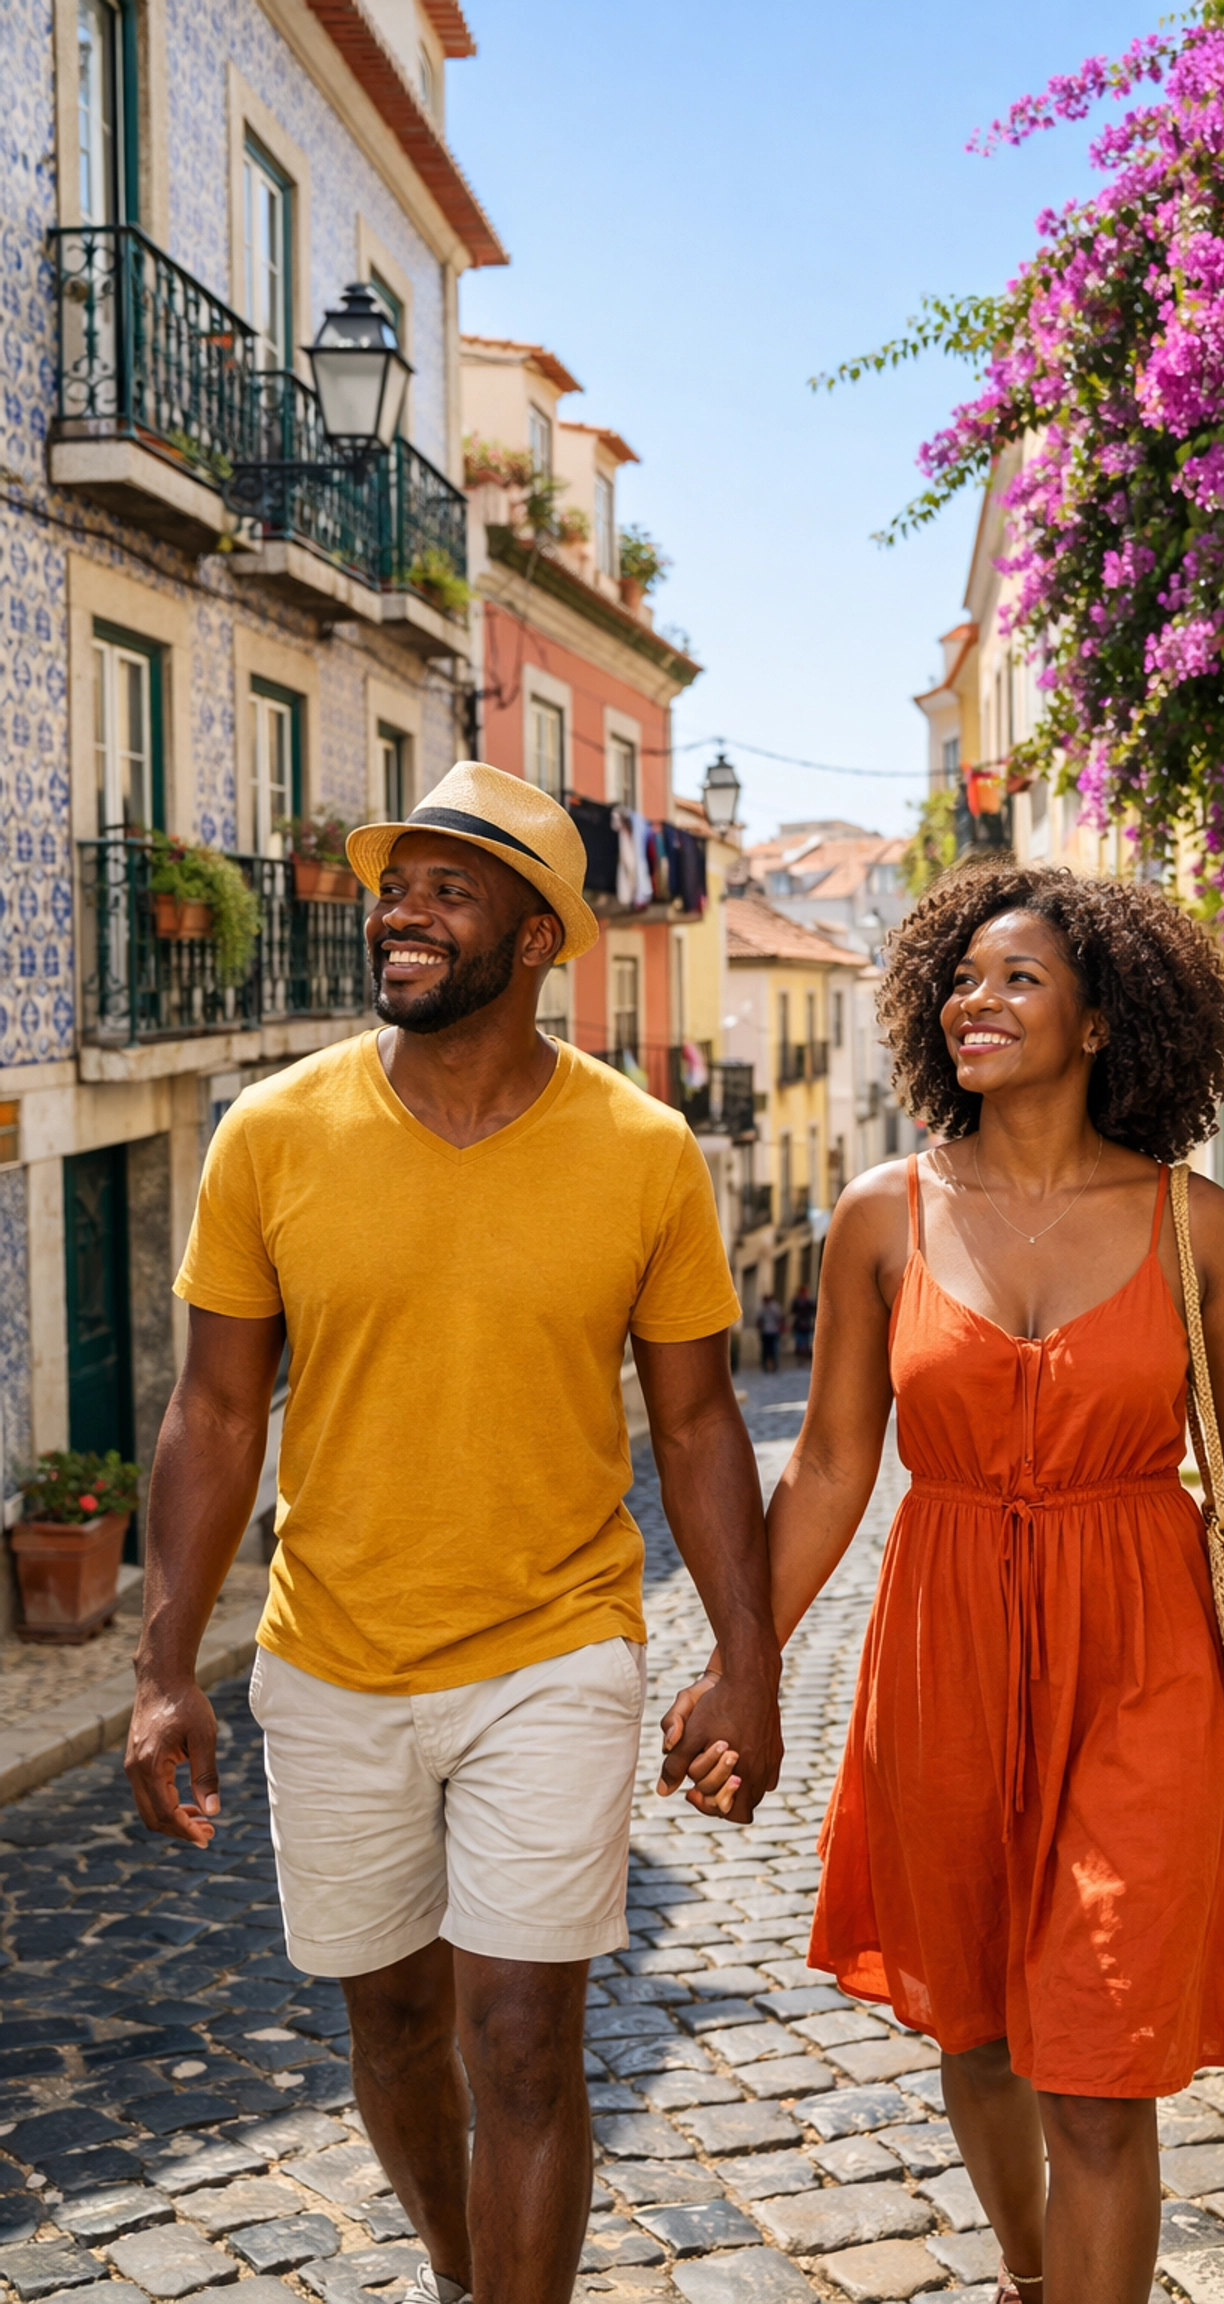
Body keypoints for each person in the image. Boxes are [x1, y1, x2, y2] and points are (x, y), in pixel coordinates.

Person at [663, 861, 1224, 2304]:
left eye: (1019, 978)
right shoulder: (880, 1218)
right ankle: (1030, 2273)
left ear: (1099, 1024)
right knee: (980, 2032)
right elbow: (829, 1466)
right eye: (962, 978)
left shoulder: (1192, 1225)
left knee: (1098, 2066)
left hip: (1146, 1656)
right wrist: (739, 1661)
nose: (978, 999)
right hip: (942, 1643)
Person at [126, 762, 783, 2304]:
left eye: (448, 889)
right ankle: (461, 2272)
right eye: (394, 889)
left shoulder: (641, 1152)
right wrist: (164, 1666)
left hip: (556, 1649)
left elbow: (697, 1427)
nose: (402, 914)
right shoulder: (272, 1135)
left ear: (540, 937)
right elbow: (216, 1416)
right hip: (331, 1656)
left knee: (525, 2039)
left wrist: (745, 1660)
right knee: (397, 2031)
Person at [756, 1290, 784, 1373]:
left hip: (772, 1331)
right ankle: (767, 1366)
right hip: (767, 1331)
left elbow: (780, 1317)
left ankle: (773, 1366)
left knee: (772, 1350)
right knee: (767, 1350)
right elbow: (759, 1319)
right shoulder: (764, 1307)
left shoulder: (773, 1307)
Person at [790, 1282, 816, 1365]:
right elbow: (793, 1312)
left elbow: (813, 1311)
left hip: (807, 1325)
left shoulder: (809, 1301)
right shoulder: (797, 1301)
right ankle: (800, 1358)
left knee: (806, 1342)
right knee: (800, 1342)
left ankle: (804, 1357)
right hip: (800, 1325)